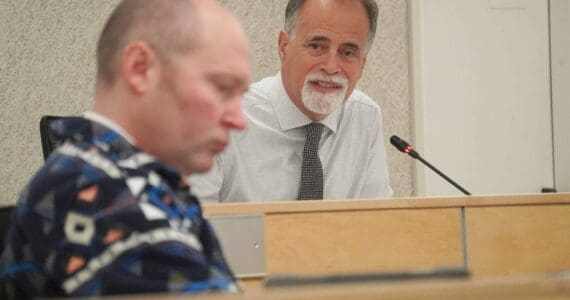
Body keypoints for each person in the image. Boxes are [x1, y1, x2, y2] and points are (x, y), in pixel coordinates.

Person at [0, 0, 251, 298]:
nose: (239, 120)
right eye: (222, 87)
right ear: (140, 69)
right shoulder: (105, 201)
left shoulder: (127, 181)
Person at [190, 0, 393, 203]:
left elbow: (378, 222)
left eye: (348, 52)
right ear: (283, 46)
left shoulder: (364, 116)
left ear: (362, 63)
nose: (331, 67)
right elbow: (189, 226)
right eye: (316, 46)